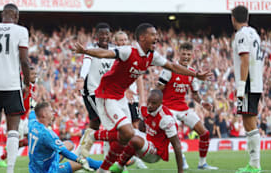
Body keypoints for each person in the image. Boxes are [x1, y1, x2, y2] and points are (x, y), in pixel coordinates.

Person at [72, 23, 211, 172]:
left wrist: (196, 74)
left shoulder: (151, 56)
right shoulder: (128, 51)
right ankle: (94, 136)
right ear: (143, 37)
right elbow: (106, 53)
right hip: (106, 96)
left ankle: (105, 169)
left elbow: (172, 66)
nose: (156, 38)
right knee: (127, 132)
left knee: (124, 137)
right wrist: (86, 51)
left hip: (120, 97)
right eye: (153, 35)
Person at [0, 3, 31, 173]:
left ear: (3, 15)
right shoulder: (21, 31)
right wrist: (27, 83)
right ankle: (9, 169)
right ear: (16, 16)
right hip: (12, 83)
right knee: (13, 129)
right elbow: (24, 61)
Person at [157, 42, 218, 170]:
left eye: (188, 54)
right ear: (179, 53)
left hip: (182, 108)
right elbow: (158, 89)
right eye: (183, 53)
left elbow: (194, 94)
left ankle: (202, 163)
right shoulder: (170, 68)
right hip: (168, 108)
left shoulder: (192, 73)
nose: (185, 56)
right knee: (175, 134)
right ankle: (182, 159)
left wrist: (202, 103)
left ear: (192, 55)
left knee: (205, 133)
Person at [109, 89, 184, 173]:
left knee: (134, 140)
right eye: (149, 102)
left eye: (154, 103)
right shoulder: (144, 109)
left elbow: (177, 145)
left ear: (160, 103)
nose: (150, 105)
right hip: (147, 141)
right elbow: (141, 128)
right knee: (120, 132)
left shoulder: (166, 119)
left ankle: (120, 166)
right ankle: (124, 161)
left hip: (155, 152)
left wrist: (180, 171)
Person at [75, 23, 115, 157]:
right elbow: (86, 64)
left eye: (106, 33)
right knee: (109, 123)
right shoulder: (91, 50)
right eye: (101, 34)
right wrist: (81, 78)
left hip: (108, 93)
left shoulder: (114, 50)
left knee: (95, 124)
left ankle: (79, 156)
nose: (104, 36)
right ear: (96, 35)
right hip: (92, 92)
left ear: (110, 35)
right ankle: (109, 159)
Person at [231, 5, 264, 173]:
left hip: (248, 83)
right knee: (249, 120)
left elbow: (245, 60)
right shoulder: (254, 34)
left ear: (233, 18)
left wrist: (241, 86)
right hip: (256, 81)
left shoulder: (241, 34)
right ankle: (254, 163)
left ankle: (255, 164)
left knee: (249, 122)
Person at [28, 101, 102, 173]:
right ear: (44, 114)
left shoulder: (32, 123)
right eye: (51, 111)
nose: (53, 113)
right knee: (87, 161)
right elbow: (64, 152)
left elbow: (32, 111)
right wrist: (80, 160)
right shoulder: (47, 134)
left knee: (69, 144)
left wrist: (32, 101)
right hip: (48, 169)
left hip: (35, 167)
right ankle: (109, 166)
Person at [114, 30, 148, 169]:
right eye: (120, 40)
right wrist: (124, 89)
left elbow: (139, 77)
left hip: (133, 98)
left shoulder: (133, 55)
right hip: (119, 98)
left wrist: (142, 99)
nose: (123, 42)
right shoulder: (114, 57)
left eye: (125, 39)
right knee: (123, 129)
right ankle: (123, 158)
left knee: (137, 127)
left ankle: (136, 157)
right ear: (115, 42)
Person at [0, 66, 38, 167]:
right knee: (23, 141)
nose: (35, 76)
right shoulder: (24, 86)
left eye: (35, 74)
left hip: (25, 119)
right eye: (32, 74)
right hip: (19, 118)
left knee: (30, 139)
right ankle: (3, 156)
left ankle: (5, 153)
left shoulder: (32, 86)